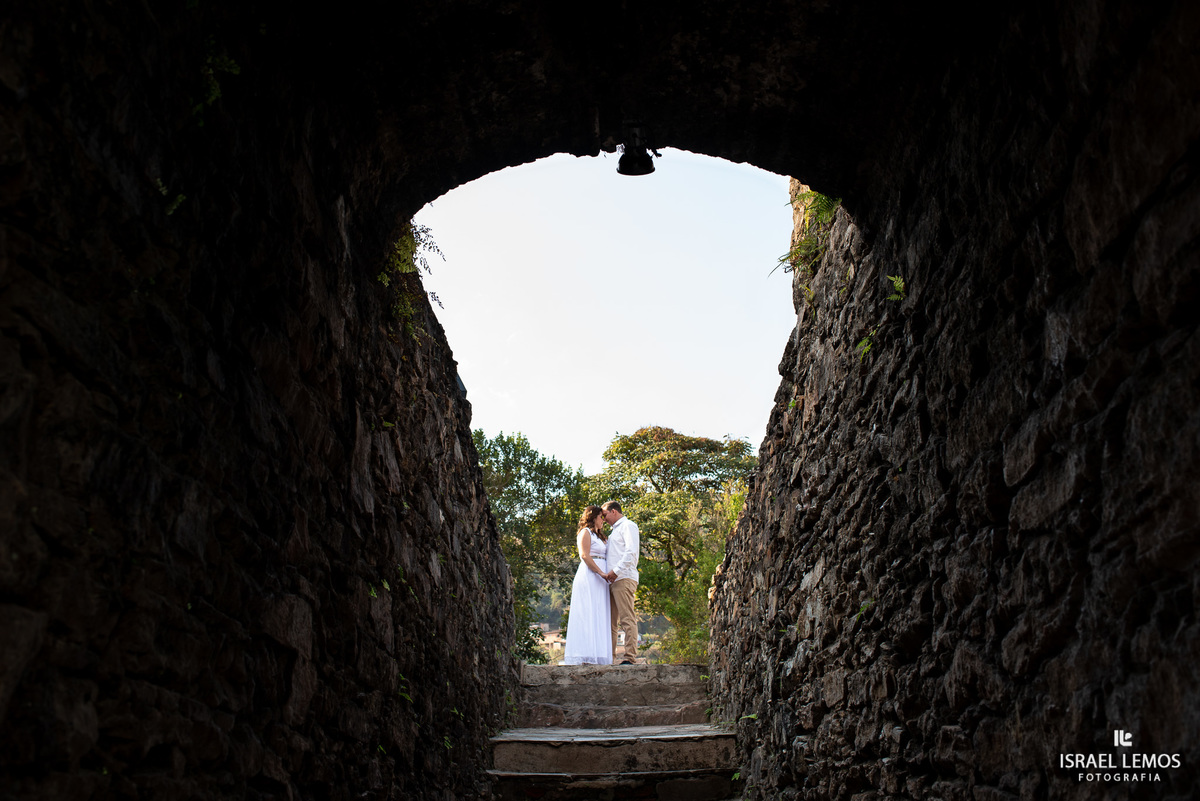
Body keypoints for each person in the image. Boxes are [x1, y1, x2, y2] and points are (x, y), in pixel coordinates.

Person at [561, 505, 613, 665]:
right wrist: (600, 572)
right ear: (593, 517)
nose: (603, 520)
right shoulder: (585, 533)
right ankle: (584, 654)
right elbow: (584, 555)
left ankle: (599, 654)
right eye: (600, 517)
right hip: (590, 576)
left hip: (602, 579)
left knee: (600, 612)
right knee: (587, 612)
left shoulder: (601, 536)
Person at [602, 501, 640, 665]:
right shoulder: (612, 533)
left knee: (626, 618)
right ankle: (610, 657)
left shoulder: (628, 526)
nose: (603, 519)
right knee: (611, 622)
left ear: (614, 512)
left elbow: (631, 552)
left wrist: (615, 571)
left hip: (623, 577)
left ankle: (630, 656)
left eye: (605, 515)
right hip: (612, 580)